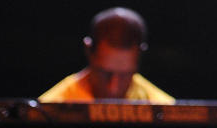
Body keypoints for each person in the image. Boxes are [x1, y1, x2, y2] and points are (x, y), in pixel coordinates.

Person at [39, 7, 174, 103]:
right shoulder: (49, 110)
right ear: (88, 51)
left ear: (140, 55)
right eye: (104, 73)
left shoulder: (164, 110)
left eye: (125, 75)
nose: (113, 88)